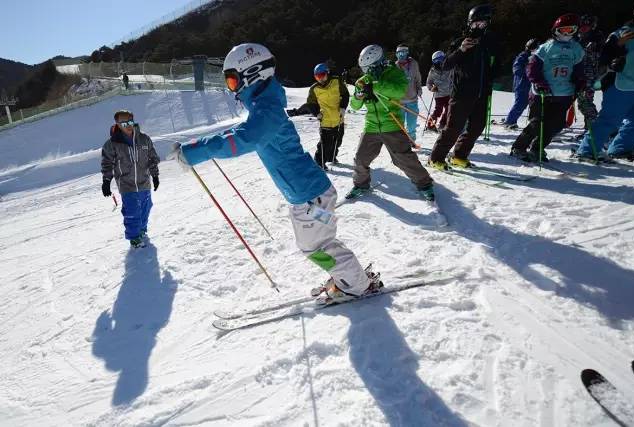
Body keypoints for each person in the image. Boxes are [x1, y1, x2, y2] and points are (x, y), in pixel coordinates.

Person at [169, 43, 380, 303]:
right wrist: (195, 147)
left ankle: (356, 284)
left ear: (252, 74)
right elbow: (236, 134)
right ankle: (348, 275)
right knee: (321, 242)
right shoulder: (264, 108)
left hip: (310, 197)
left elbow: (243, 139)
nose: (231, 88)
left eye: (232, 81)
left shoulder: (266, 111)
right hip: (310, 194)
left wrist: (196, 152)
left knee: (315, 247)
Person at [348, 44, 435, 201]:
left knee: (403, 159)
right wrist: (358, 97)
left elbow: (399, 91)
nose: (367, 72)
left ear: (378, 62)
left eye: (369, 68)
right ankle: (360, 185)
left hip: (391, 124)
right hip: (372, 126)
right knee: (361, 158)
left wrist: (375, 86)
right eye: (365, 69)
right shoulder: (363, 81)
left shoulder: (394, 73)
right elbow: (354, 106)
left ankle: (425, 184)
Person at [427, 4, 500, 170]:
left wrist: (491, 81)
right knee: (453, 128)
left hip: (482, 93)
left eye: (483, 23)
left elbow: (495, 66)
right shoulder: (460, 42)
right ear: (469, 23)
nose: (479, 27)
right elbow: (445, 65)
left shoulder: (491, 42)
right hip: (461, 94)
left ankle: (459, 156)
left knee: (476, 128)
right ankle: (435, 158)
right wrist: (461, 50)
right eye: (475, 23)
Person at [510, 14, 586, 162]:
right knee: (537, 123)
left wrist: (580, 80)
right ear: (555, 30)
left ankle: (537, 148)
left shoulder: (576, 48)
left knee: (555, 125)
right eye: (562, 30)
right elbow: (531, 69)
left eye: (570, 30)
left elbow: (579, 68)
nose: (566, 34)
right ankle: (519, 147)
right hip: (542, 93)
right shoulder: (546, 47)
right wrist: (539, 82)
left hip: (564, 93)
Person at [574, 2, 634, 161]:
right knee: (609, 120)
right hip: (621, 84)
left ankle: (621, 148)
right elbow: (604, 56)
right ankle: (587, 150)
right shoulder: (623, 33)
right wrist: (616, 50)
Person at [101, 110, 160, 248]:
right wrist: (106, 181)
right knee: (132, 212)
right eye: (123, 123)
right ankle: (134, 238)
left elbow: (152, 158)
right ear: (117, 124)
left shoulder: (144, 139)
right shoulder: (111, 144)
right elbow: (107, 164)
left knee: (146, 207)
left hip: (144, 181)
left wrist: (155, 175)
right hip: (126, 184)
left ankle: (142, 230)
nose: (127, 125)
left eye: (130, 122)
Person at [286, 63, 349, 169]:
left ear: (327, 73)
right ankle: (319, 161)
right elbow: (310, 104)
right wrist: (317, 113)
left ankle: (332, 157)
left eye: (322, 75)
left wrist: (343, 107)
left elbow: (345, 95)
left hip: (339, 118)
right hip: (325, 120)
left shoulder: (337, 81)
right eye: (317, 76)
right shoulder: (314, 89)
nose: (320, 79)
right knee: (325, 144)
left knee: (337, 141)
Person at [576, 14, 606, 131]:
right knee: (582, 103)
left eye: (586, 26)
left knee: (586, 103)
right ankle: (589, 128)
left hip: (590, 76)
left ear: (592, 26)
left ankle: (594, 129)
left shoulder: (597, 38)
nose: (582, 28)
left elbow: (600, 57)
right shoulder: (578, 38)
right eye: (581, 25)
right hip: (579, 75)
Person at [503, 38, 540, 130]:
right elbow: (516, 69)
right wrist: (529, 72)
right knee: (520, 103)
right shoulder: (523, 56)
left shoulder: (537, 57)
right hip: (522, 84)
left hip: (532, 85)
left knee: (532, 104)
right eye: (536, 48)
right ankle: (510, 121)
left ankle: (533, 123)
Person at [395, 44, 423, 143]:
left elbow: (417, 78)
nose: (402, 55)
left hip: (412, 99)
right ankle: (402, 141)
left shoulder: (414, 64)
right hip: (399, 101)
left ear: (407, 53)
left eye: (404, 52)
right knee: (400, 124)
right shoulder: (394, 66)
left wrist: (419, 89)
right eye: (399, 53)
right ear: (396, 54)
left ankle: (411, 140)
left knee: (412, 124)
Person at [426, 50, 453, 131]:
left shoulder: (450, 68)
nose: (439, 62)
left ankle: (442, 124)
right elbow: (428, 83)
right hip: (439, 95)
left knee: (449, 110)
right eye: (437, 60)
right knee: (438, 110)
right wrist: (431, 88)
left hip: (449, 93)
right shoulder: (432, 71)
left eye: (441, 59)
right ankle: (430, 125)